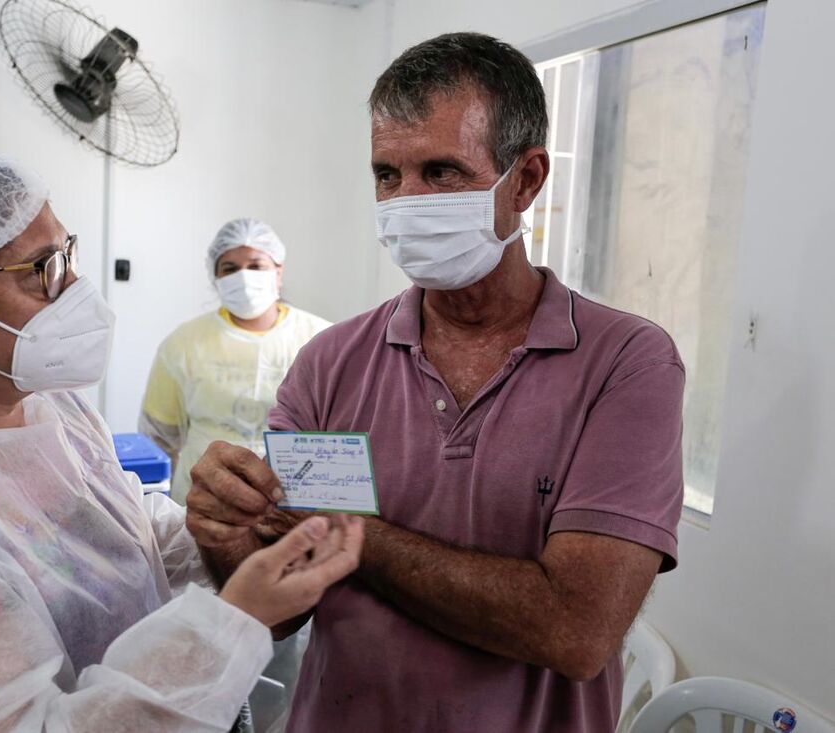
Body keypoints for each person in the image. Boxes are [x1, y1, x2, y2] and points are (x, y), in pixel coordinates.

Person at [183, 33, 686, 732]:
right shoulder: (330, 362)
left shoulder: (625, 364)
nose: (404, 202)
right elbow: (287, 600)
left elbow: (574, 629)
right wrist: (223, 531)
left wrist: (355, 535)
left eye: (441, 171)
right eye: (387, 175)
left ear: (528, 179)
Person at [0, 144, 363, 733]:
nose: (77, 287)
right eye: (43, 268)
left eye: (68, 252)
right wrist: (233, 622)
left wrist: (221, 529)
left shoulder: (48, 408)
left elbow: (118, 534)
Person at [139, 218, 331, 505]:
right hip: (204, 496)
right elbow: (158, 438)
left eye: (256, 266)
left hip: (293, 499)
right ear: (215, 277)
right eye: (230, 268)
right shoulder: (184, 343)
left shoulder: (321, 339)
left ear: (278, 272)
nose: (244, 277)